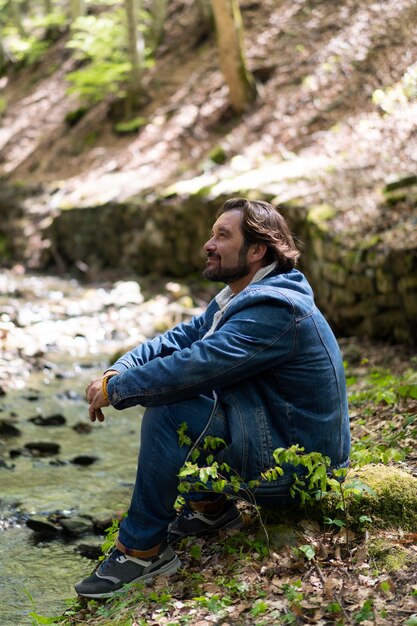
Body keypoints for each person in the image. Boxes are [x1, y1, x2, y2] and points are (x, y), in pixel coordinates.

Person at [75, 197, 350, 599]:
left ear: (257, 250)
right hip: (281, 438)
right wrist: (119, 369)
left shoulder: (274, 307)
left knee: (172, 405)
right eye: (211, 233)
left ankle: (141, 552)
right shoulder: (245, 295)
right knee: (193, 394)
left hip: (304, 472)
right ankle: (211, 510)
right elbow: (183, 338)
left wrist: (117, 391)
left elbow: (195, 365)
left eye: (223, 235)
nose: (209, 243)